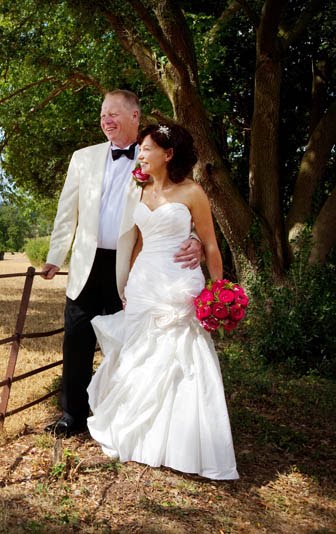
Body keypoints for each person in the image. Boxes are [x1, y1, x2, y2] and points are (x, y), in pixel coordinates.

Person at [41, 90, 202, 438]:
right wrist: (55, 257)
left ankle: (122, 417)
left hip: (132, 268)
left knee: (129, 345)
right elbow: (66, 214)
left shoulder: (152, 158)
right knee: (77, 341)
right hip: (86, 266)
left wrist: (196, 240)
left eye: (114, 113)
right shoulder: (82, 158)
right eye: (102, 115)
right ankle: (72, 415)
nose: (106, 120)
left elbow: (177, 204)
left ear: (134, 116)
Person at [86, 123, 239, 480]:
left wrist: (219, 292)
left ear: (168, 155)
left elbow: (211, 244)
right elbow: (138, 242)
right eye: (139, 148)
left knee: (178, 358)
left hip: (179, 283)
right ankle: (138, 434)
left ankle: (182, 443)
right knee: (140, 355)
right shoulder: (139, 192)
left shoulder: (193, 193)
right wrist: (127, 283)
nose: (140, 154)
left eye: (147, 148)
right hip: (144, 283)